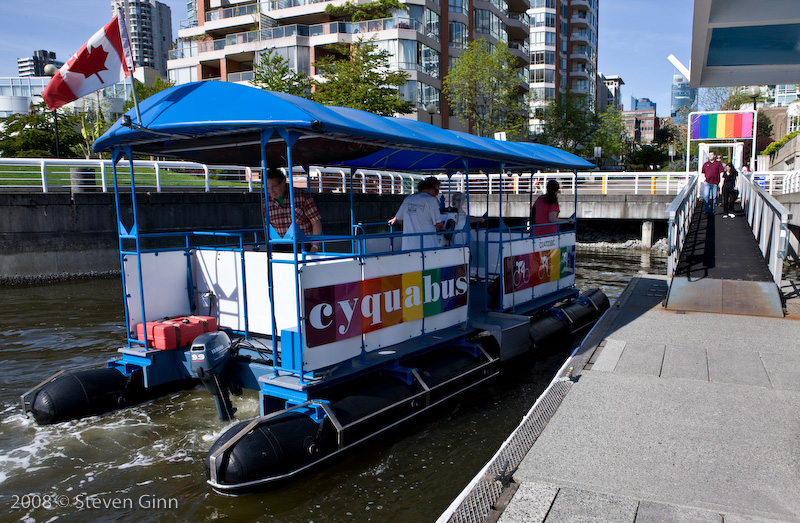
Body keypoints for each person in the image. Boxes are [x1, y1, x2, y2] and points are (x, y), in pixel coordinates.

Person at [265, 167, 322, 252]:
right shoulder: (265, 202)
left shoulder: (302, 196)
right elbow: (268, 226)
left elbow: (316, 221)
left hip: (302, 245)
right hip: (279, 246)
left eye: (274, 187)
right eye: (268, 188)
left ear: (283, 182)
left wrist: (315, 246)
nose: (271, 191)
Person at [388, 176, 444, 250]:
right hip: (427, 246)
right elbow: (438, 223)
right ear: (429, 187)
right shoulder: (431, 200)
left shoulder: (409, 199)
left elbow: (399, 219)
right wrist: (442, 228)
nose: (437, 194)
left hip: (408, 246)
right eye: (436, 190)